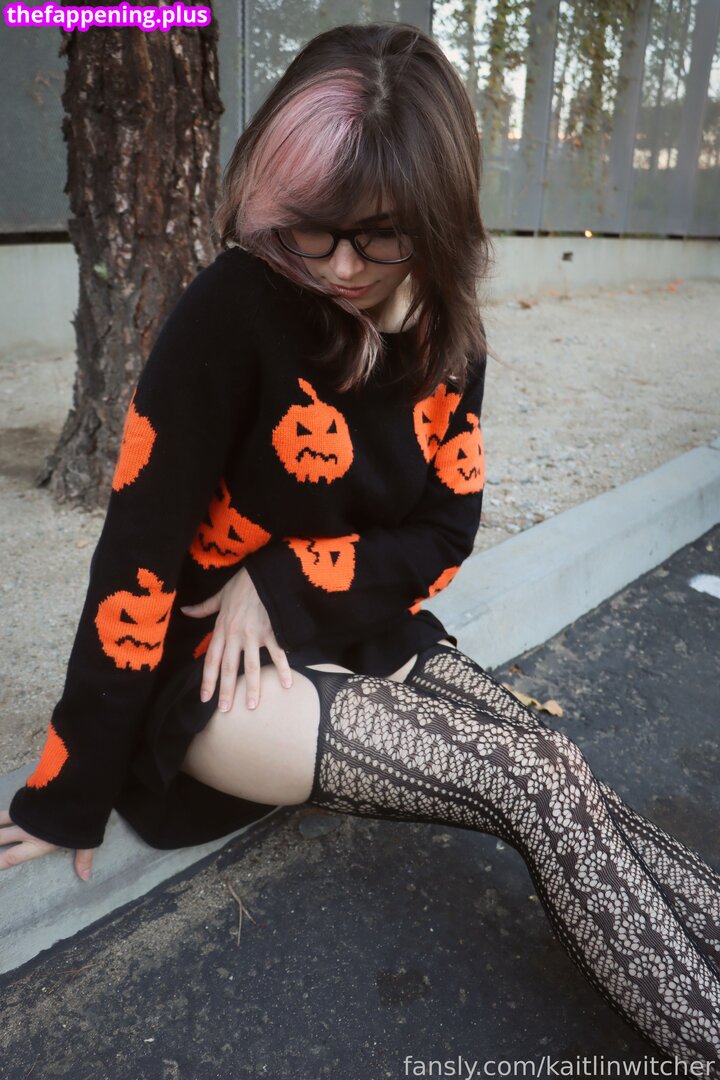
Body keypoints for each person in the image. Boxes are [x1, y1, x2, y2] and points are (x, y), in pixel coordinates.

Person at [2, 20, 719, 1064]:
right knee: (525, 779)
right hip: (210, 674)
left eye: (379, 235)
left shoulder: (450, 338)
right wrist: (68, 790)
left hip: (353, 621)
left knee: (558, 764)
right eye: (311, 229)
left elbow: (445, 532)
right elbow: (136, 559)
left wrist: (283, 580)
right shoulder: (233, 309)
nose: (339, 266)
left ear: (437, 216)